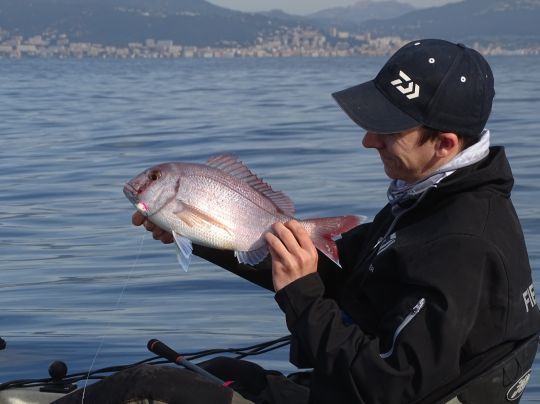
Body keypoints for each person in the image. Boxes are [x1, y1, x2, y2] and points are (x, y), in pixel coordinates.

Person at [59, 39, 540, 404]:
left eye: (388, 129)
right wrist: (199, 235)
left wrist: (303, 296)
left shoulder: (464, 243)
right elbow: (329, 270)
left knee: (150, 387)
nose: (368, 140)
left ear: (445, 144)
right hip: (336, 388)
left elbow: (390, 384)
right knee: (219, 369)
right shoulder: (429, 202)